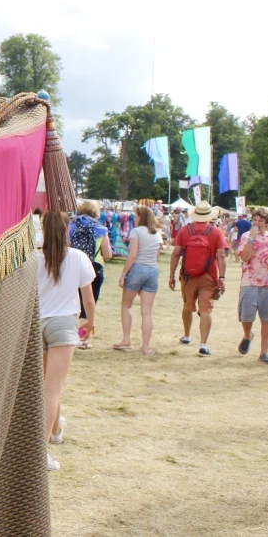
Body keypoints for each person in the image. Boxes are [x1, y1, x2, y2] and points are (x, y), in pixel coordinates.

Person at [36, 210, 96, 471]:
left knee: (45, 387)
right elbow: (88, 298)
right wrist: (90, 322)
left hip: (35, 323)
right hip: (63, 322)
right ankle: (42, 453)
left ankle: (56, 430)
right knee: (53, 388)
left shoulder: (32, 258)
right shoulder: (78, 258)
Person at [168, 202, 228, 356]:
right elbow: (221, 256)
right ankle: (203, 344)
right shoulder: (216, 232)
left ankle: (187, 336)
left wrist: (171, 275)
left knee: (188, 306)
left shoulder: (184, 230)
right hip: (209, 275)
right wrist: (222, 277)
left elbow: (176, 253)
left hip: (188, 275)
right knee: (206, 310)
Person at [113, 205, 162, 355]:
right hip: (152, 270)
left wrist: (123, 275)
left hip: (137, 268)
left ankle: (126, 339)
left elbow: (132, 255)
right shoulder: (157, 234)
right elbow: (157, 256)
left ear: (140, 217)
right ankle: (146, 347)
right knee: (147, 312)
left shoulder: (136, 232)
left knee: (126, 306)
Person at [69, 200, 112, 349]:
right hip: (95, 267)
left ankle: (70, 335)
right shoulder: (101, 229)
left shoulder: (72, 226)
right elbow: (107, 254)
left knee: (75, 303)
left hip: (74, 267)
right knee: (89, 304)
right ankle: (83, 338)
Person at [236, 208, 268, 363]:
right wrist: (251, 240)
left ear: (266, 223)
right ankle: (247, 334)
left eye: (261, 220)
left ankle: (264, 352)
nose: (257, 223)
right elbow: (245, 257)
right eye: (255, 220)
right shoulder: (246, 236)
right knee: (246, 316)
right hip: (249, 280)